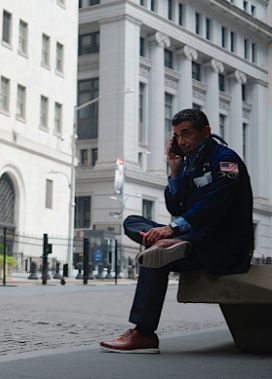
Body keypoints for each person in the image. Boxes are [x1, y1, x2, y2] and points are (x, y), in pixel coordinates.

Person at [100, 108, 254, 353]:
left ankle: (144, 333)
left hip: (221, 247)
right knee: (132, 221)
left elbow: (214, 204)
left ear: (206, 132)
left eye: (187, 134)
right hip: (190, 241)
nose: (182, 141)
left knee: (155, 257)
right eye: (178, 136)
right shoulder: (186, 164)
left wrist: (173, 229)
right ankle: (167, 245)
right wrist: (173, 171)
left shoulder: (226, 160)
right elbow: (175, 206)